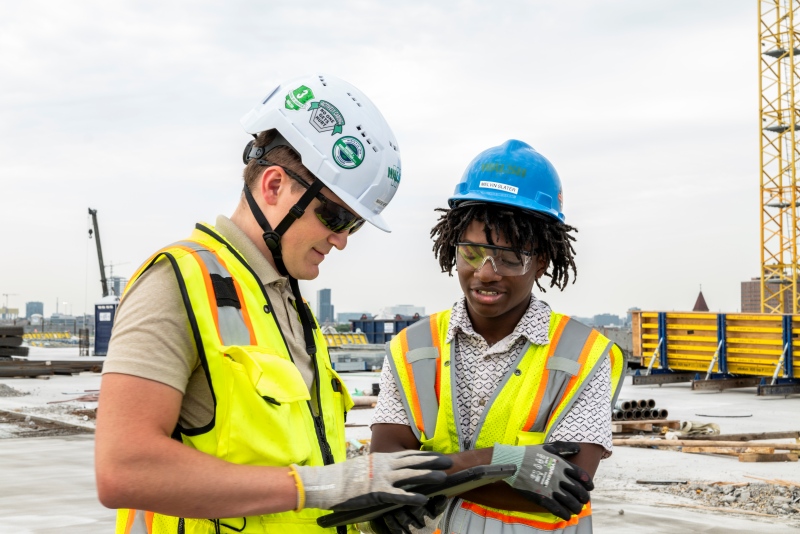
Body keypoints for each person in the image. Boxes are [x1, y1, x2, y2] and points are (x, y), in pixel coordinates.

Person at [94, 74, 452, 534]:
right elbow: (123, 469)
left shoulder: (287, 305)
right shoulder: (177, 283)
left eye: (354, 226)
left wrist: (365, 502)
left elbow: (301, 459)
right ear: (275, 185)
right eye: (336, 216)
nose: (341, 240)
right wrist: (321, 486)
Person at [368, 140, 625, 534]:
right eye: (472, 253)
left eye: (509, 258)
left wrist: (438, 474)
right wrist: (509, 463)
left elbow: (565, 487)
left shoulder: (585, 355)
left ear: (541, 261)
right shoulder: (411, 348)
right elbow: (384, 459)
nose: (486, 273)